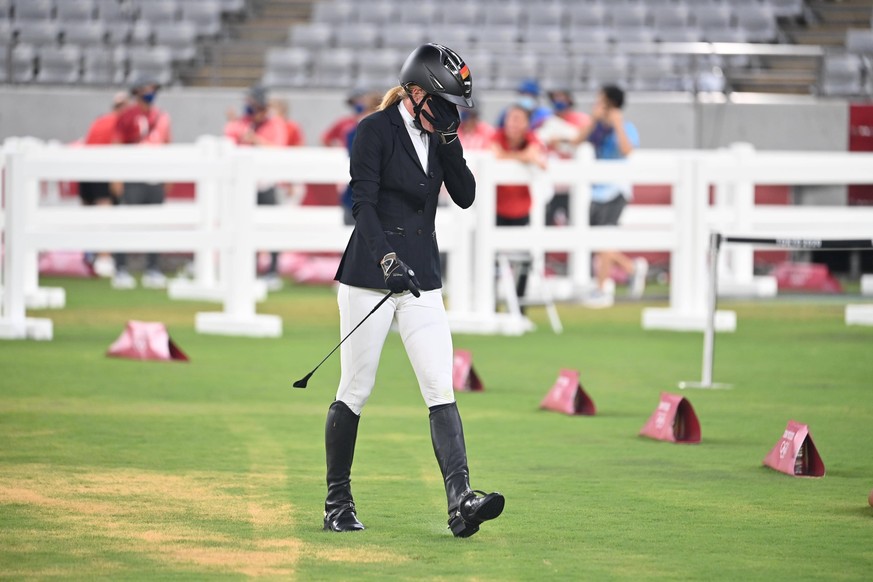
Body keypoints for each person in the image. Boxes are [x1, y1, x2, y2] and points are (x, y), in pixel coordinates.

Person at [326, 43, 504, 538]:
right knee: (355, 389)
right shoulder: (374, 132)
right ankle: (337, 500)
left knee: (440, 387)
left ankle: (461, 502)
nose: (451, 115)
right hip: (370, 275)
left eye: (456, 108)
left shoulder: (440, 133)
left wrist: (449, 141)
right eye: (443, 104)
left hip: (422, 278)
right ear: (415, 92)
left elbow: (465, 197)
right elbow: (363, 206)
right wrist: (387, 260)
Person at [570, 84, 647, 308]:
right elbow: (576, 142)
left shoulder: (626, 126)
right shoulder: (596, 129)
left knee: (605, 239)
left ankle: (602, 289)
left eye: (600, 101)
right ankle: (632, 269)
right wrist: (594, 121)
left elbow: (626, 149)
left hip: (616, 190)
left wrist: (617, 123)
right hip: (597, 190)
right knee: (597, 241)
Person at [224, 86, 289, 290]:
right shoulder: (243, 123)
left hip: (267, 183)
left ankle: (272, 271)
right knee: (244, 226)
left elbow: (278, 148)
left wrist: (256, 140)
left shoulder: (275, 124)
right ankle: (247, 270)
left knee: (271, 228)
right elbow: (230, 140)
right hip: (245, 186)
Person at [112, 77, 172, 290]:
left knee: (154, 224)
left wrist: (168, 175)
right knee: (126, 223)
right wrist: (117, 178)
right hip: (133, 176)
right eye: (147, 89)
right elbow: (117, 145)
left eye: (153, 89)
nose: (150, 93)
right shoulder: (127, 116)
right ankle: (120, 268)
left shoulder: (161, 116)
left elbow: (166, 145)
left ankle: (153, 268)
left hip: (155, 177)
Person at [491, 103, 548, 308]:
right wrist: (523, 159)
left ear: (526, 124)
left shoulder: (531, 138)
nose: (513, 124)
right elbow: (493, 155)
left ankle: (520, 308)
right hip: (496, 210)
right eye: (510, 118)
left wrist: (518, 158)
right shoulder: (497, 136)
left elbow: (537, 156)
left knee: (524, 260)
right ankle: (492, 305)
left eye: (518, 119)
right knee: (492, 261)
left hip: (521, 210)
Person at [78, 90, 128, 277]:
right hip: (100, 169)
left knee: (90, 217)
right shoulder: (118, 123)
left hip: (85, 170)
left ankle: (87, 258)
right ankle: (103, 259)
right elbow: (115, 147)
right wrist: (117, 178)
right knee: (104, 215)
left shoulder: (99, 120)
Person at [537, 88, 591, 227]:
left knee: (577, 221)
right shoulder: (547, 122)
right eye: (556, 98)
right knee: (545, 221)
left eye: (562, 98)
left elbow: (582, 142)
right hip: (552, 184)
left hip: (573, 183)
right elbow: (539, 140)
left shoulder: (581, 120)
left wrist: (561, 141)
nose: (559, 102)